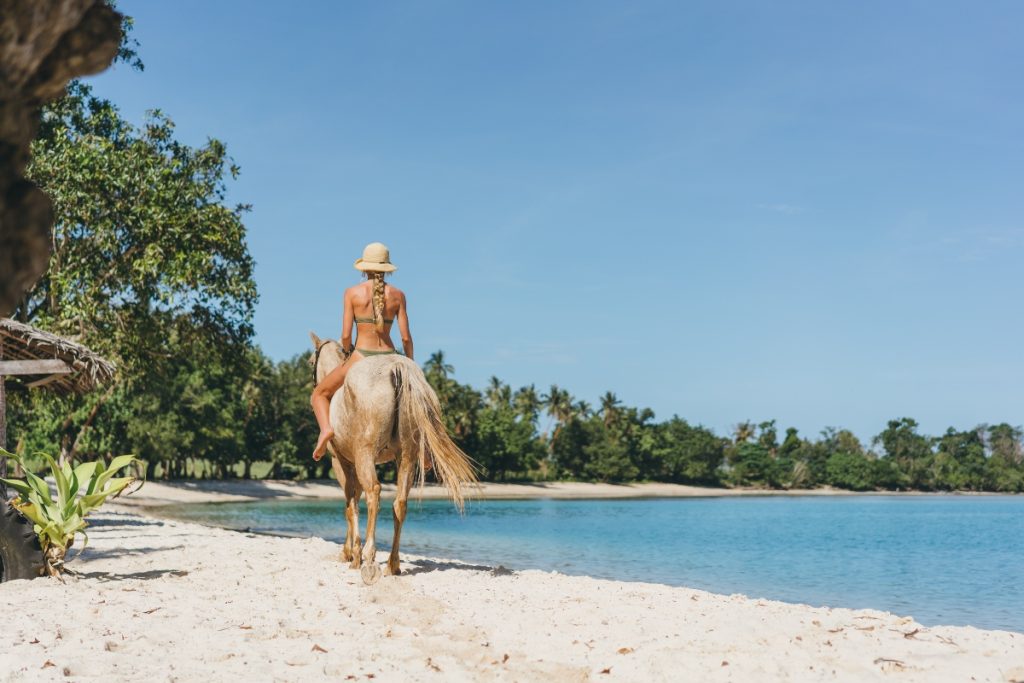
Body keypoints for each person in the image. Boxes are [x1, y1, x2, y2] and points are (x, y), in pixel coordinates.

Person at [310, 242, 413, 461]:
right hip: (391, 356)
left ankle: (326, 430)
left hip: (361, 355)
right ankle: (423, 450)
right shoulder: (398, 295)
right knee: (418, 400)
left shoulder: (352, 293)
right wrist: (411, 364)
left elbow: (346, 335)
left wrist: (347, 354)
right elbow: (405, 337)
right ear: (387, 268)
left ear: (364, 269)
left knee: (319, 393)